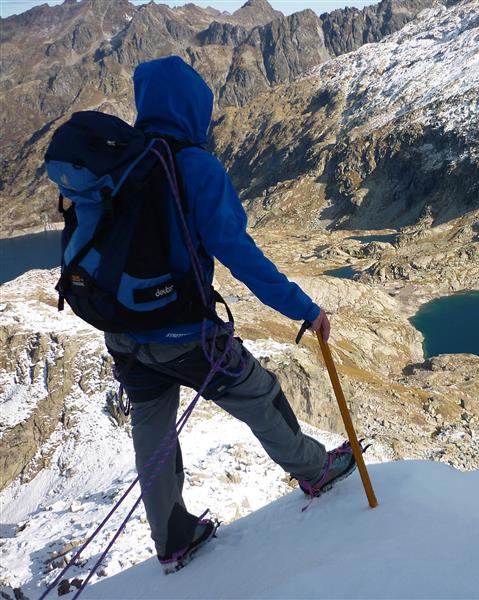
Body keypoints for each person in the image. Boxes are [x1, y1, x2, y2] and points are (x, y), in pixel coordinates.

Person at [104, 56, 356, 573]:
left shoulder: (116, 162)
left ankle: (172, 538)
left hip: (121, 331)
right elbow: (241, 256)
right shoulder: (195, 167)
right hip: (182, 331)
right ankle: (314, 471)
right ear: (194, 105)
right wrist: (303, 309)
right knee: (258, 392)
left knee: (152, 425)